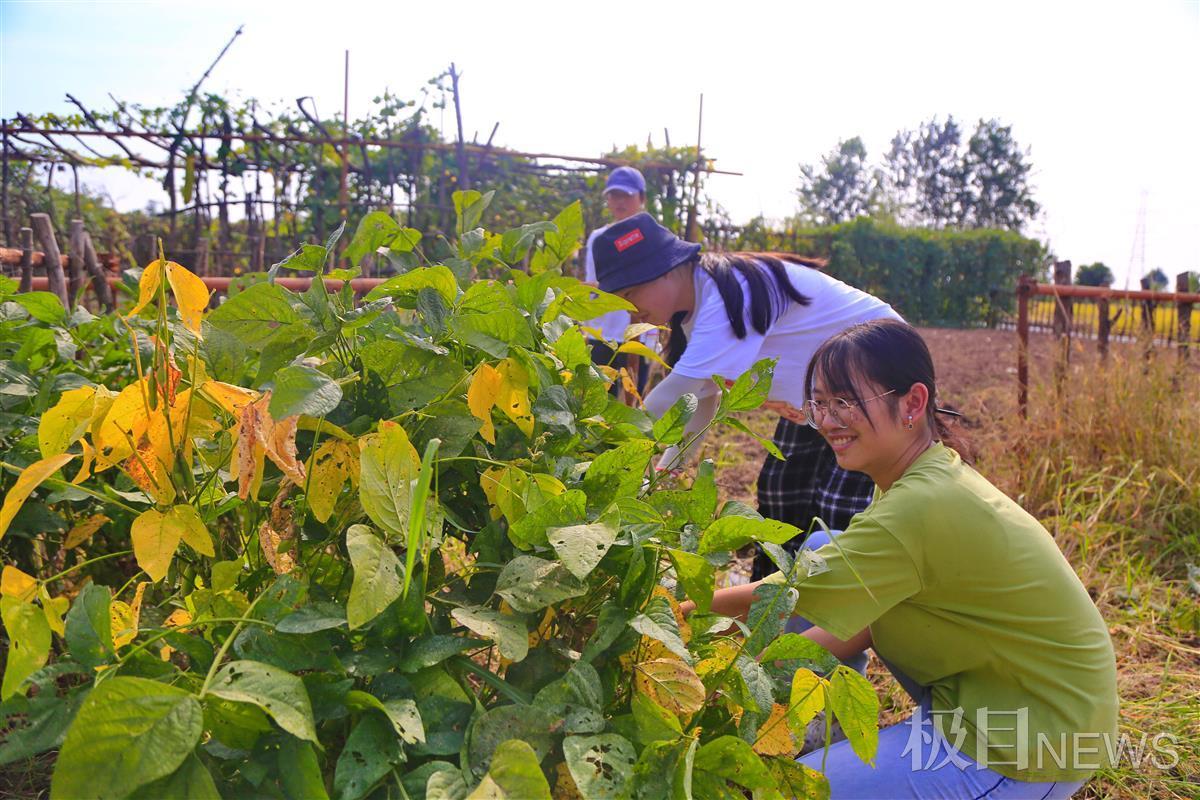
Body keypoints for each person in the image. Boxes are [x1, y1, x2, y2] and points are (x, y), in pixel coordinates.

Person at [682, 319, 1118, 799]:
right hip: (1000, 701)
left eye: (845, 402)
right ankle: (810, 723)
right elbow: (871, 617)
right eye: (820, 403)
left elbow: (785, 595)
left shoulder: (918, 506)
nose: (827, 421)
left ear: (912, 403)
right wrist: (760, 674)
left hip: (1028, 746)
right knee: (823, 549)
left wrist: (672, 614)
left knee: (799, 793)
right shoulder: (921, 475)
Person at [592, 213, 900, 573]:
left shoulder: (725, 293)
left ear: (664, 269)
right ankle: (773, 610)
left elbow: (673, 395)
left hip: (876, 382)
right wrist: (669, 468)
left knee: (840, 511)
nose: (632, 312)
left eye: (631, 294)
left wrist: (602, 451)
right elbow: (703, 399)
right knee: (780, 494)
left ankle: (834, 619)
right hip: (819, 401)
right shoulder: (700, 307)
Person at [583, 166, 651, 393]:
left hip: (637, 334)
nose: (620, 201)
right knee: (601, 401)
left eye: (627, 195)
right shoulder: (598, 238)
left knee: (636, 400)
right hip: (603, 333)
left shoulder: (652, 237)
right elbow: (593, 285)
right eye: (614, 195)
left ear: (641, 198)